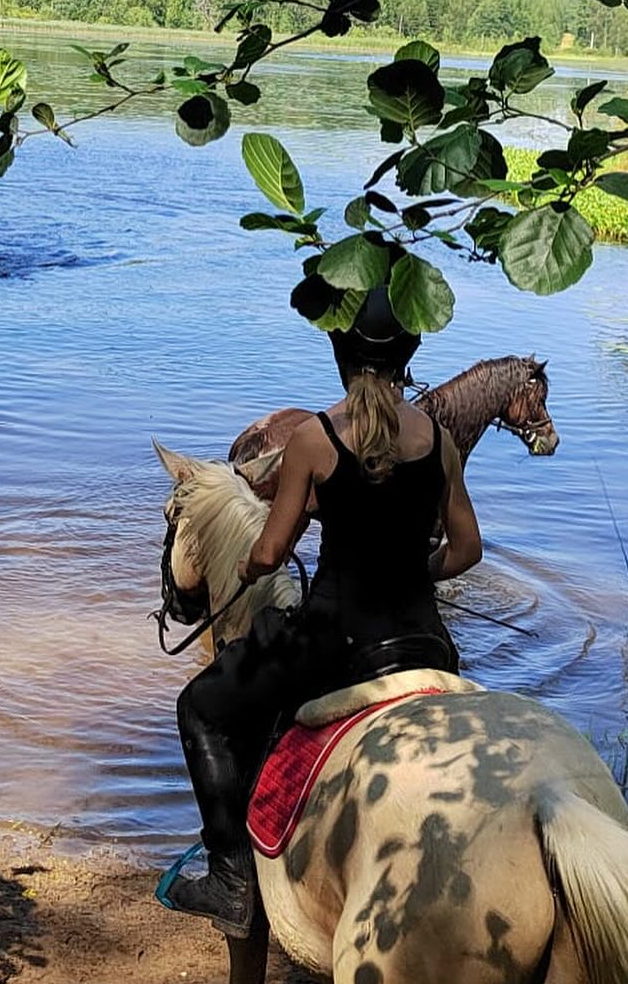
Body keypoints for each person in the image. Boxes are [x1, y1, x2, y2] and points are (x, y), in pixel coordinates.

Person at [164, 285, 483, 937]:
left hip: (334, 641)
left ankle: (230, 877)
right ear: (411, 354)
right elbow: (466, 550)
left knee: (200, 708)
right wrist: (409, 573)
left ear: (339, 353)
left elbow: (272, 550)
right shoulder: (440, 442)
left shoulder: (314, 437)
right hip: (426, 643)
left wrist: (252, 566)